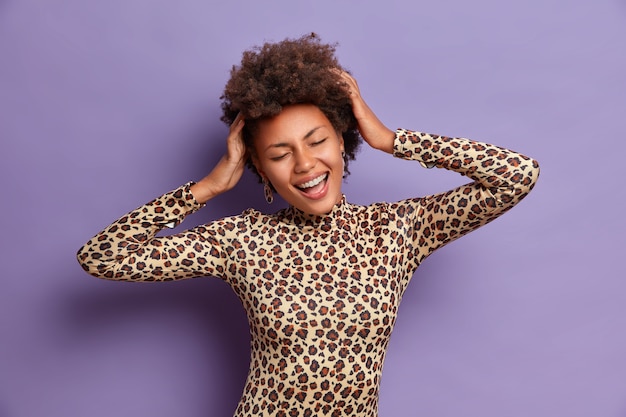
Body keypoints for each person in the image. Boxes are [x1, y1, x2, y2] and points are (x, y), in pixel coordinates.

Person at [77, 33, 539, 417]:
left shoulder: (396, 229)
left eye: (317, 141)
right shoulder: (242, 239)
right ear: (259, 169)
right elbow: (102, 257)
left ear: (341, 141)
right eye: (279, 155)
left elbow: (517, 176)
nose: (304, 165)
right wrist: (210, 186)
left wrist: (390, 139)